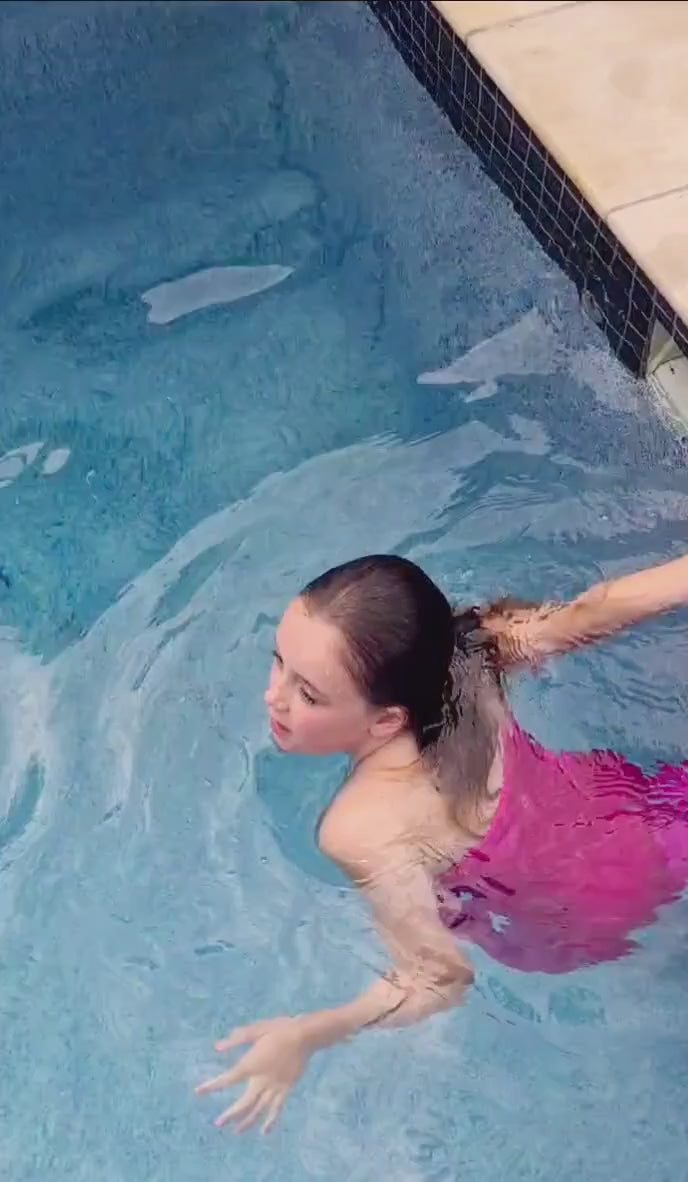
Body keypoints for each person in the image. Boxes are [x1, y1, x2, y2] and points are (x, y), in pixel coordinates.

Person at [195, 551, 688, 1134]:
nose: (273, 699)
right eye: (278, 662)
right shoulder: (472, 651)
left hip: (584, 913)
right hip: (643, 808)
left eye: (309, 694)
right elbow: (597, 610)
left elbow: (438, 979)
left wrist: (309, 1032)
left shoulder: (360, 827)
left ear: (385, 722)